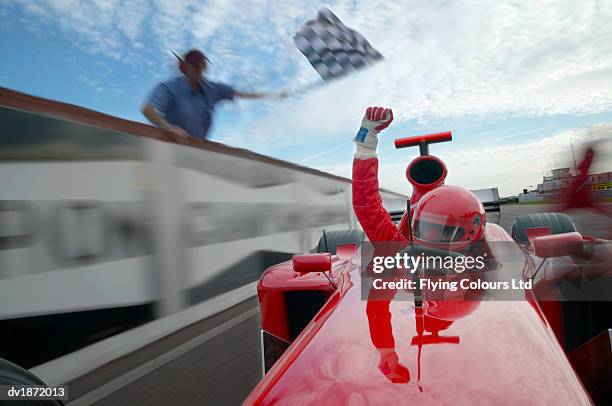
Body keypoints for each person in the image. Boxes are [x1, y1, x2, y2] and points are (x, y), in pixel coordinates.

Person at [142, 49, 286, 141]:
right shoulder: (169, 87)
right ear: (184, 68)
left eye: (202, 66)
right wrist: (169, 128)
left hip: (201, 149)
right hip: (173, 148)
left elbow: (242, 94)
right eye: (195, 66)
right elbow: (148, 109)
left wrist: (273, 95)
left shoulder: (213, 89)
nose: (200, 70)